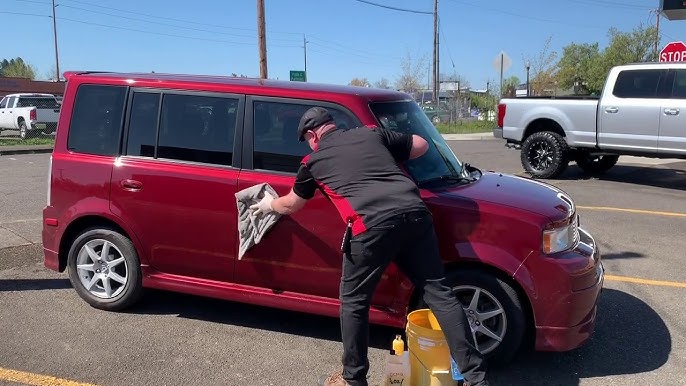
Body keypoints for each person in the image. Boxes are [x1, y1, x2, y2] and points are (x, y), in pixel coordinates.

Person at [249, 107, 489, 386]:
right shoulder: (372, 134)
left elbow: (292, 203)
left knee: (354, 302)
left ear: (313, 135)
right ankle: (476, 378)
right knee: (440, 295)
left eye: (308, 140)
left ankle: (354, 378)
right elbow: (422, 144)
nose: (310, 145)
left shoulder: (312, 162)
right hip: (415, 214)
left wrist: (268, 204)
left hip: (371, 227)